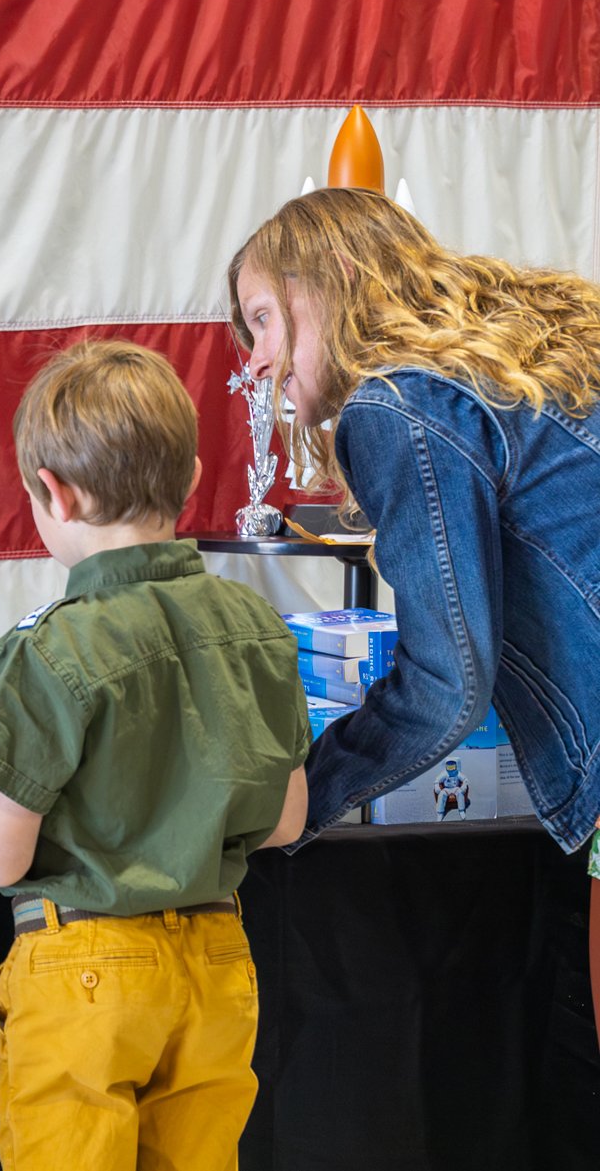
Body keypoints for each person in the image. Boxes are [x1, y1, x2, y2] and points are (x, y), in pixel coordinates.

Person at [229, 188, 600, 1043]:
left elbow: (444, 683)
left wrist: (289, 805)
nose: (256, 363)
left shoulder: (395, 404)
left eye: (264, 320)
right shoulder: (526, 361)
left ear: (338, 278)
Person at [0, 340, 310, 1170]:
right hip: (219, 963)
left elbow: (4, 859)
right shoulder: (257, 627)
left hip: (84, 967)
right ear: (191, 480)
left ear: (53, 491)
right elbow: (286, 819)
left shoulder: (51, 648)